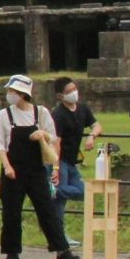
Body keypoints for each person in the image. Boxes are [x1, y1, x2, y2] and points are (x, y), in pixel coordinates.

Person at [0, 74, 76, 259]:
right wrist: (7, 166)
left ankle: (61, 249)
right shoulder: (4, 115)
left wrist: (43, 134)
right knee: (12, 211)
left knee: (46, 207)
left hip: (36, 168)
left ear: (22, 93)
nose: (10, 94)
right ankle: (12, 252)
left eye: (13, 91)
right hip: (13, 168)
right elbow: (0, 144)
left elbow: (53, 138)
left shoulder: (41, 112)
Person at [47, 76, 102, 228]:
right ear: (60, 96)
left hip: (72, 161)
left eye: (74, 89)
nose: (74, 92)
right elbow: (56, 143)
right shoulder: (58, 114)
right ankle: (49, 192)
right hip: (61, 160)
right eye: (69, 91)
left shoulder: (82, 108)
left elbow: (97, 126)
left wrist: (91, 136)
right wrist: (56, 167)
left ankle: (50, 191)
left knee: (83, 192)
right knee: (59, 201)